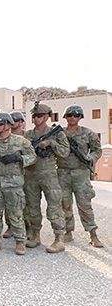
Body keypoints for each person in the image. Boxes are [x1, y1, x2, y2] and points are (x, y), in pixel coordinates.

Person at [0, 111, 36, 255]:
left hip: (13, 184)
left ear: (9, 124)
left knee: (16, 214)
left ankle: (20, 241)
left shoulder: (21, 141)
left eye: (0, 124)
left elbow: (33, 157)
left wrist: (19, 159)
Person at [23, 101, 69, 252]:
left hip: (49, 175)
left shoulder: (56, 133)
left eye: (39, 116)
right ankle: (35, 235)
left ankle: (59, 238)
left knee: (54, 206)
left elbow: (65, 153)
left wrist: (51, 144)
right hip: (31, 175)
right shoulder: (28, 135)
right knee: (32, 207)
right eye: (34, 116)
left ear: (47, 117)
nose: (36, 118)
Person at [57, 105, 104, 247]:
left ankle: (93, 234)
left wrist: (91, 158)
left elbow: (97, 150)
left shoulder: (88, 133)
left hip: (81, 173)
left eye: (76, 115)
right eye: (70, 115)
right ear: (66, 117)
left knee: (84, 204)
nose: (72, 118)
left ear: (80, 118)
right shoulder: (59, 134)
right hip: (63, 172)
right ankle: (68, 231)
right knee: (65, 204)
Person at [2, 110, 26, 238]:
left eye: (16, 120)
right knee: (10, 203)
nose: (13, 123)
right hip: (11, 176)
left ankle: (28, 228)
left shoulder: (27, 137)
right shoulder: (5, 137)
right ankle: (11, 226)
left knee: (27, 203)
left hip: (29, 173)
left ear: (22, 122)